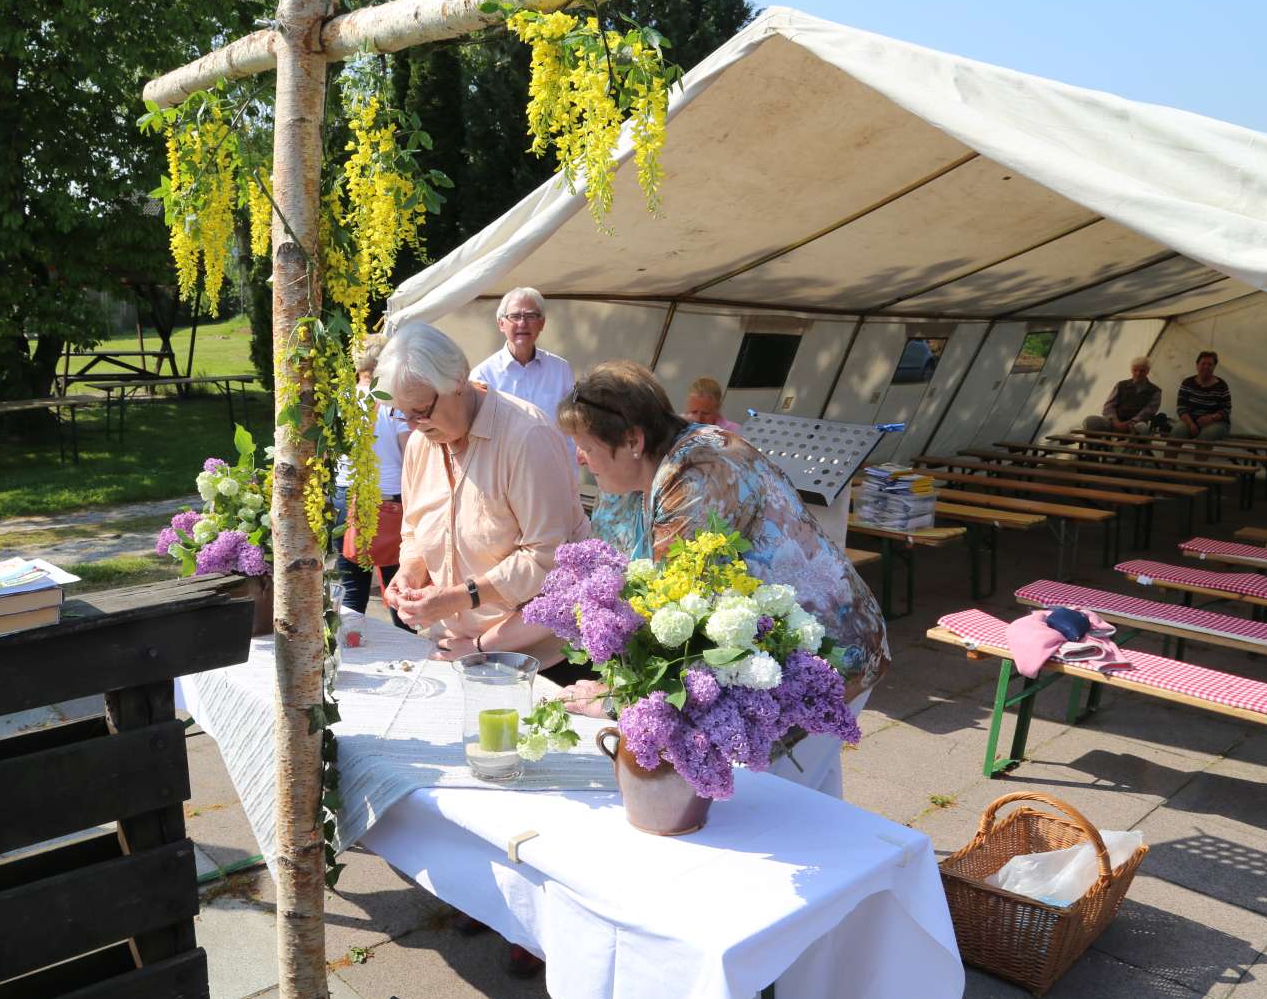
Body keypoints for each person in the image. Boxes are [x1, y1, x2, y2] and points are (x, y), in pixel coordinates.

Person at [558, 360, 889, 798]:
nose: (578, 457)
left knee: (778, 811)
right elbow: (622, 579)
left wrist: (620, 697)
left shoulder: (699, 471)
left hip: (824, 658)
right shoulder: (634, 477)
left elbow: (679, 614)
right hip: (777, 658)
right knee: (816, 807)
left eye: (585, 445)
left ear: (633, 440)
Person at [375, 321, 591, 676]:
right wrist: (410, 572)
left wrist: (458, 597)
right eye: (402, 414)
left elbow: (546, 556)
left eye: (421, 411)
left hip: (534, 661)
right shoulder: (419, 444)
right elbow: (414, 528)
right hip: (453, 648)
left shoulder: (526, 436)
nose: (413, 425)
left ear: (459, 381)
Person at [334, 335, 411, 631]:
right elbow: (411, 455)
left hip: (347, 497)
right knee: (399, 586)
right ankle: (407, 651)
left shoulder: (341, 402)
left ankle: (353, 645)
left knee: (353, 589)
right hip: (390, 501)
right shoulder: (394, 404)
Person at [468, 286, 576, 467]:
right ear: (501, 323)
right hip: (505, 475)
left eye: (531, 316)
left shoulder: (560, 369)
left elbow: (572, 427)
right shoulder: (483, 375)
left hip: (555, 470)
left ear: (542, 323)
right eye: (515, 316)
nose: (522, 323)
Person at [1084, 356, 1161, 435]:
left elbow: (1148, 412)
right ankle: (1095, 446)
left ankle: (1135, 447)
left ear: (1148, 371)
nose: (1138, 373)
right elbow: (1109, 406)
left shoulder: (1155, 391)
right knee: (1090, 421)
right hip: (1115, 422)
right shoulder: (1121, 385)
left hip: (1135, 424)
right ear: (1131, 370)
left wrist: (1131, 422)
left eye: (1142, 371)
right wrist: (1115, 422)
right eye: (1135, 370)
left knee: (1143, 428)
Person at [1176, 350, 1231, 440]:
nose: (1206, 367)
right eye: (1203, 363)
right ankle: (1169, 454)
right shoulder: (1187, 383)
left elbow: (1226, 410)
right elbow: (1181, 408)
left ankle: (1200, 454)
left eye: (1210, 364)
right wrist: (1191, 424)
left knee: (1206, 436)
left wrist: (1211, 418)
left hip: (1217, 422)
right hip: (1191, 420)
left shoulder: (1222, 385)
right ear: (1197, 365)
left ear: (1214, 367)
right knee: (1177, 431)